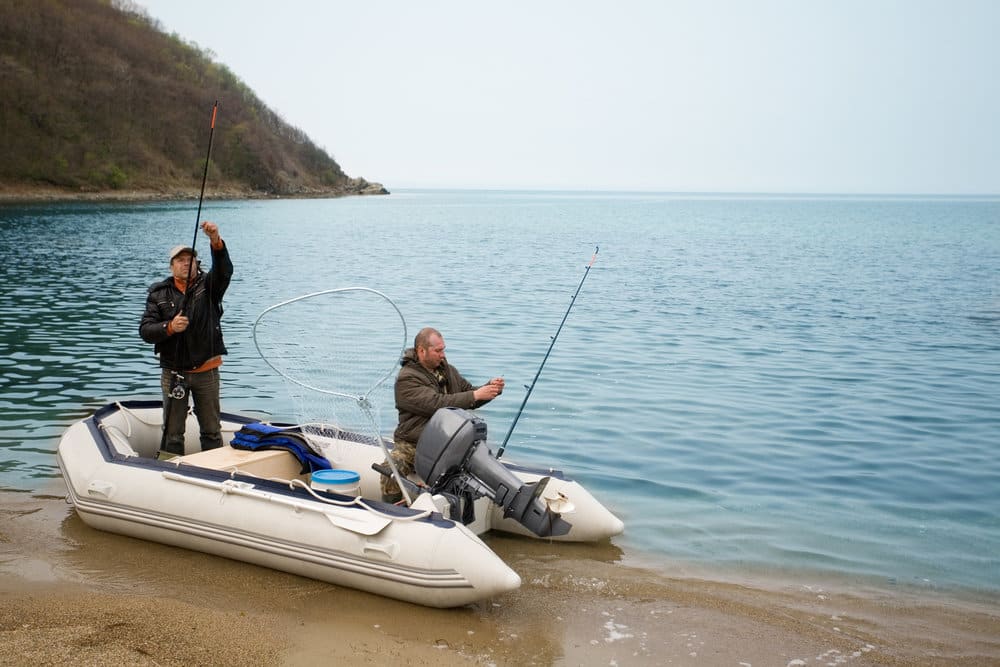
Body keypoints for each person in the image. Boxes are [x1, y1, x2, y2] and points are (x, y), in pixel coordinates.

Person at [139, 221, 233, 457]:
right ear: (171, 266)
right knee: (172, 432)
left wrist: (215, 240)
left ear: (197, 264)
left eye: (190, 259)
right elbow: (146, 330)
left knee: (211, 430)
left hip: (207, 370)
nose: (186, 263)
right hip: (173, 372)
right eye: (180, 260)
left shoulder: (209, 287)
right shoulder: (158, 294)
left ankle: (214, 471)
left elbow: (224, 271)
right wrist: (169, 327)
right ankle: (172, 471)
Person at [380, 326, 505, 503]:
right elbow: (436, 404)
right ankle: (391, 511)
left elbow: (468, 394)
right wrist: (475, 394)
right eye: (438, 351)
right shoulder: (407, 378)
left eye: (443, 349)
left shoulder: (448, 371)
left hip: (445, 443)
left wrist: (489, 389)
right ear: (422, 351)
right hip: (413, 443)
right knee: (390, 471)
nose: (443, 355)